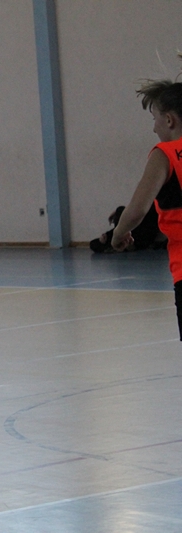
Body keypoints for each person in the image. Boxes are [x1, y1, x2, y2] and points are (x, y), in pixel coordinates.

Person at [112, 68, 182, 341]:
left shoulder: (165, 154)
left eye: (155, 120)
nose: (154, 128)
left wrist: (118, 234)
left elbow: (138, 209)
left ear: (169, 120)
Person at [90, 204, 164, 253]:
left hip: (140, 230)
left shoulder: (113, 234)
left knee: (120, 211)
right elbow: (132, 247)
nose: (103, 235)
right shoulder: (121, 242)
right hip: (140, 236)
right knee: (120, 210)